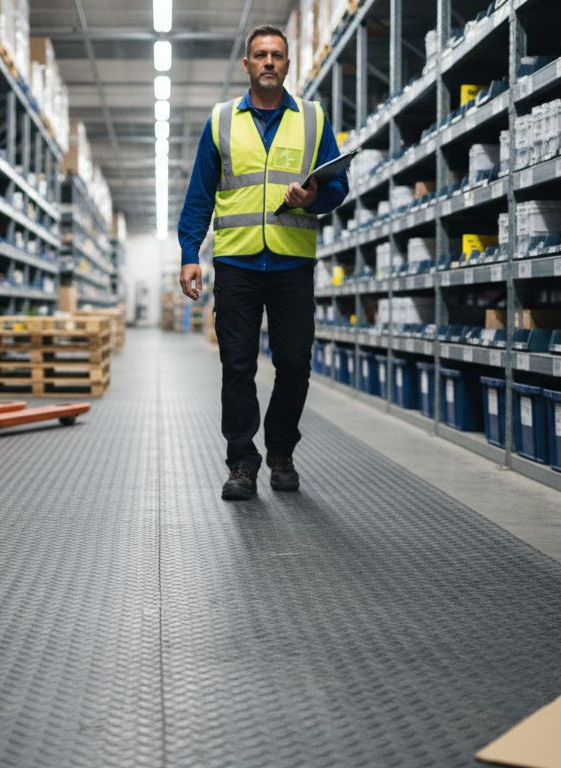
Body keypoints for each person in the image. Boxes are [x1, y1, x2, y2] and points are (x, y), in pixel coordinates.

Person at [177, 23, 350, 501]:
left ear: (288, 64)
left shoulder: (312, 118)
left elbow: (337, 186)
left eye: (276, 54)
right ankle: (241, 462)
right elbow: (200, 195)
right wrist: (190, 253)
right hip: (237, 264)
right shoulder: (221, 120)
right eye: (260, 55)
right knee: (237, 366)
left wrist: (314, 195)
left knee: (294, 363)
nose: (269, 62)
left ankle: (280, 451)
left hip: (293, 264)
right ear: (247, 65)